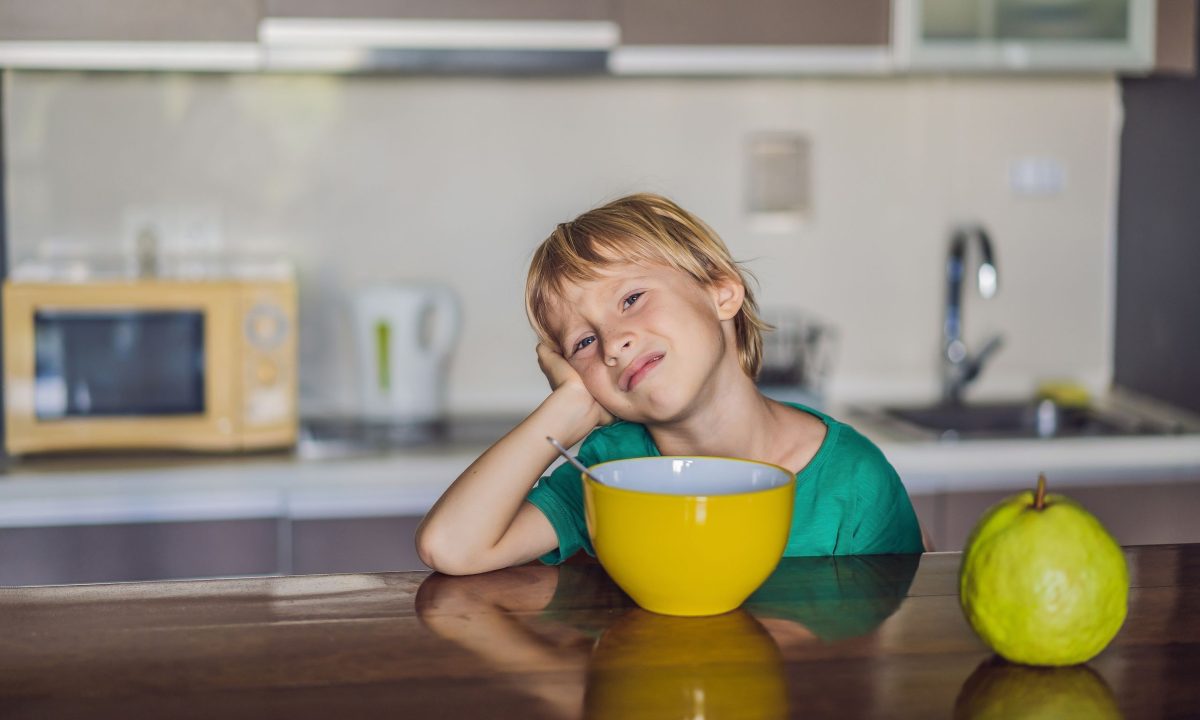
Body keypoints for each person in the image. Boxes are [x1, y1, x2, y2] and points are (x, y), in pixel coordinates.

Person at [415, 193, 924, 576]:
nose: (613, 344)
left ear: (721, 292)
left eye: (632, 299)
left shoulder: (855, 482)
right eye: (584, 343)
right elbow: (451, 547)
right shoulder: (607, 469)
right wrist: (567, 408)